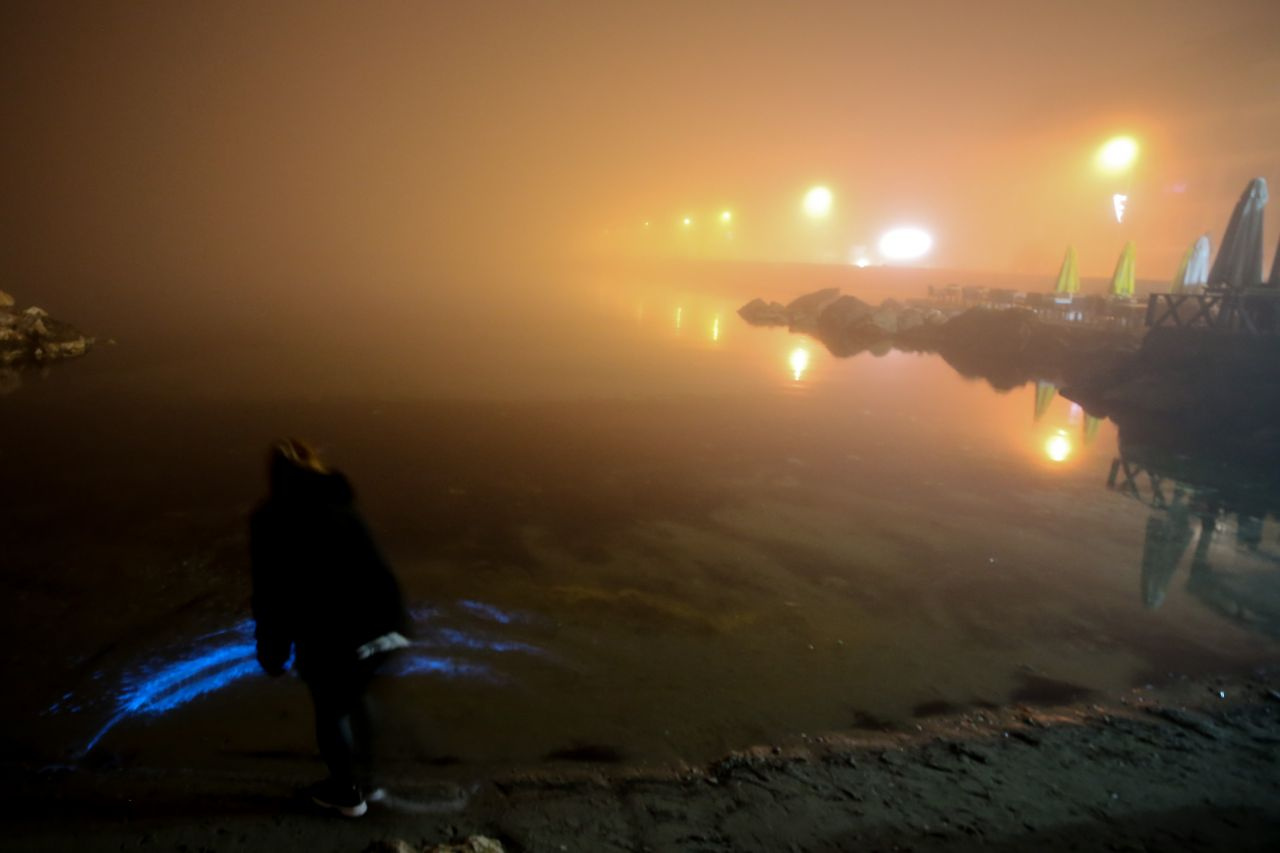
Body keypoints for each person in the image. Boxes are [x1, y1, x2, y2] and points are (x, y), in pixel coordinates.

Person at [249, 438, 410, 818]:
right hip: (379, 625)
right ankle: (371, 782)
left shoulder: (272, 519)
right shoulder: (342, 506)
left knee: (330, 710)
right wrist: (395, 625)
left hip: (328, 633)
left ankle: (346, 793)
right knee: (358, 697)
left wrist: (272, 649)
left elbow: (272, 591)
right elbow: (378, 569)